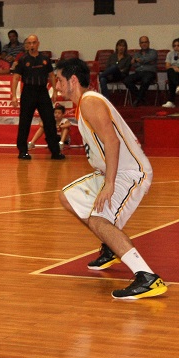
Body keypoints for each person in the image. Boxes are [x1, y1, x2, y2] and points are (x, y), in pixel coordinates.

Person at [55, 57, 167, 299]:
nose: (56, 86)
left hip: (129, 172)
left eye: (59, 80)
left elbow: (112, 141)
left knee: (99, 220)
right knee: (68, 198)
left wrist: (109, 184)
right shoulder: (85, 103)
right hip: (111, 170)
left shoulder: (90, 102)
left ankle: (147, 277)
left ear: (73, 80)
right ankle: (111, 247)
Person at [10, 35, 65, 160]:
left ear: (38, 44)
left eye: (34, 43)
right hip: (28, 92)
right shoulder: (23, 59)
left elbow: (51, 75)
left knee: (49, 121)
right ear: (26, 45)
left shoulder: (44, 58)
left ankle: (55, 151)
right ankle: (23, 151)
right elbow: (16, 78)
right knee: (25, 122)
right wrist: (14, 96)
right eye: (29, 43)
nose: (32, 45)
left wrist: (55, 91)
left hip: (42, 92)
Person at [123, 36, 157, 107]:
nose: (144, 44)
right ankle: (141, 98)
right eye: (142, 42)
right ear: (140, 44)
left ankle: (138, 99)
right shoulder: (137, 54)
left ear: (149, 43)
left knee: (146, 80)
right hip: (138, 73)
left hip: (149, 72)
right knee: (126, 80)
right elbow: (134, 65)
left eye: (145, 42)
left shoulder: (153, 52)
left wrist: (138, 60)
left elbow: (150, 58)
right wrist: (145, 62)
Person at [161, 38, 179, 108]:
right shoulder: (170, 54)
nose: (176, 47)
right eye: (174, 46)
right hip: (173, 72)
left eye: (178, 45)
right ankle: (178, 86)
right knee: (170, 71)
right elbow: (167, 66)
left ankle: (171, 101)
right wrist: (173, 67)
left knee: (172, 78)